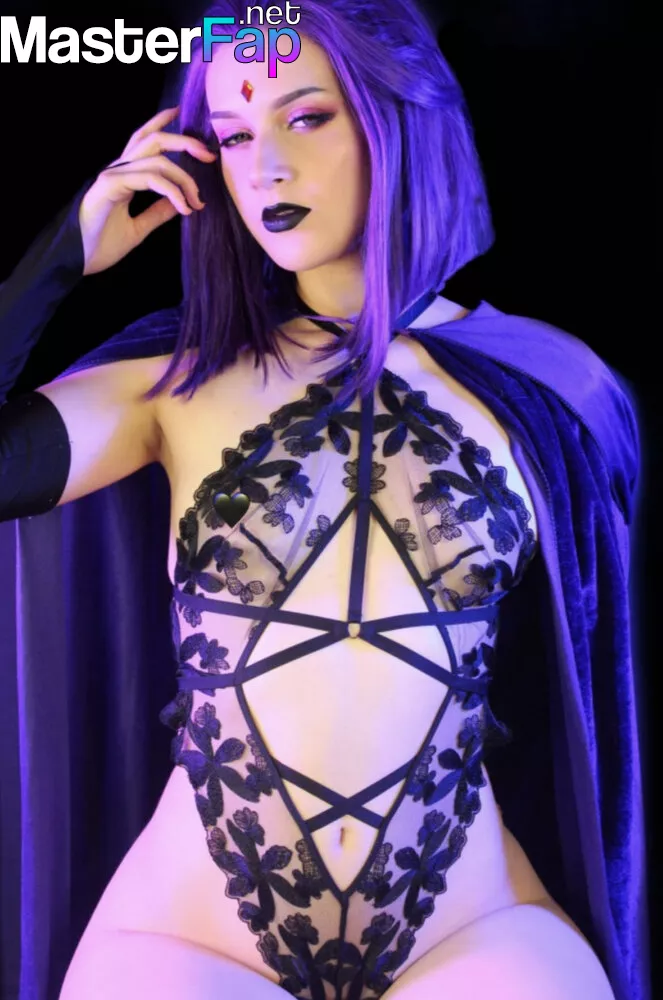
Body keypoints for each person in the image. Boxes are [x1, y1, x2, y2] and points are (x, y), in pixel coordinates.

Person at [0, 1, 648, 998]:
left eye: (305, 117)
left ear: (398, 118)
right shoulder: (175, 383)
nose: (264, 168)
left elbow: (605, 674)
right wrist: (61, 257)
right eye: (232, 136)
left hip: (470, 933)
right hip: (189, 938)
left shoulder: (553, 389)